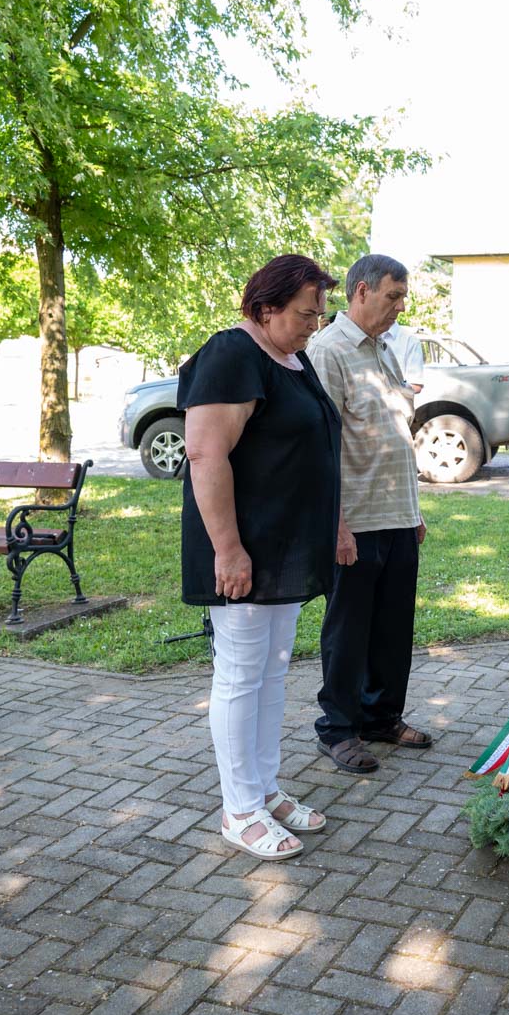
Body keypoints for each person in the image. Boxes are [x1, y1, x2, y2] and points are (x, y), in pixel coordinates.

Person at [180, 254, 341, 860]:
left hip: (285, 548)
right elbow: (205, 455)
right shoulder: (231, 355)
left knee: (273, 673)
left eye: (319, 315)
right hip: (243, 548)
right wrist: (228, 550)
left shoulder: (292, 358)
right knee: (240, 675)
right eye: (305, 314)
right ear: (265, 308)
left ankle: (265, 789)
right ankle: (239, 809)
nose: (313, 326)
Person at [307, 253, 433, 775]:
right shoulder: (327, 351)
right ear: (361, 291)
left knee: (391, 629)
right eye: (392, 296)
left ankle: (381, 717)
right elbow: (320, 447)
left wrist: (414, 511)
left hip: (397, 515)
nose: (400, 307)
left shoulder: (384, 349)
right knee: (349, 631)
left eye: (403, 297)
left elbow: (396, 434)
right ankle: (338, 729)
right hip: (355, 521)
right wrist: (335, 524)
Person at [380, 321, 426, 393]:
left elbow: (415, 385)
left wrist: (388, 392)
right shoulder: (367, 334)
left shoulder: (410, 340)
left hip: (394, 398)